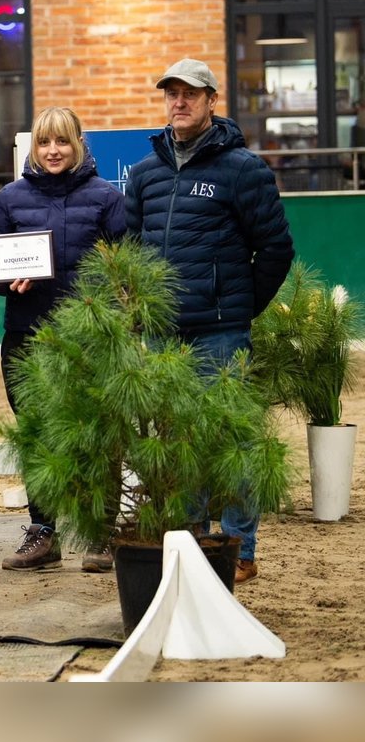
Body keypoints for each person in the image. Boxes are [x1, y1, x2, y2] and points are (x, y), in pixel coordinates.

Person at [126, 58, 295, 584]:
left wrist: (241, 306)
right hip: (165, 336)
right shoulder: (145, 174)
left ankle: (240, 548)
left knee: (232, 443)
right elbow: (131, 249)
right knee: (180, 442)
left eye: (190, 94)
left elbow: (276, 249)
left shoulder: (242, 169)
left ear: (211, 101)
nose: (179, 102)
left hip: (220, 333)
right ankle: (198, 540)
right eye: (171, 94)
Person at [0, 106, 126, 572]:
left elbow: (128, 261)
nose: (53, 151)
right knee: (36, 436)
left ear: (78, 144)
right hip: (27, 337)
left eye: (62, 142)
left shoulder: (106, 197)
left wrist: (110, 290)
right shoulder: (10, 198)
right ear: (33, 149)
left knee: (97, 435)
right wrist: (6, 282)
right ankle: (44, 532)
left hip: (90, 340)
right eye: (44, 143)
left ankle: (101, 533)